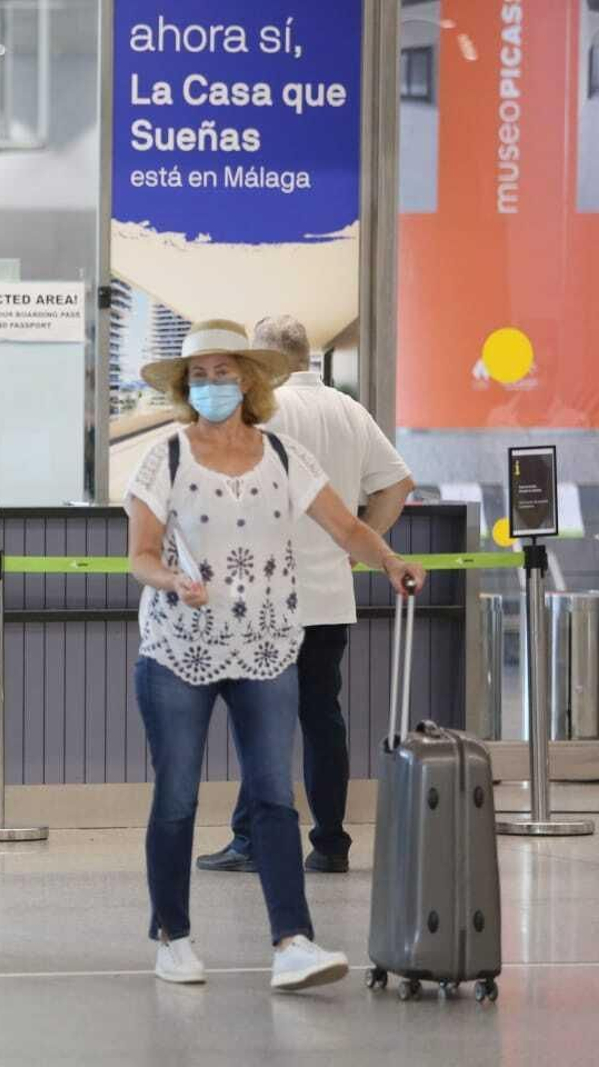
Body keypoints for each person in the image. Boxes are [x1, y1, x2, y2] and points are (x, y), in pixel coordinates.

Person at [124, 319, 425, 990]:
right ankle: (173, 934)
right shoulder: (165, 457)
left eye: (223, 374)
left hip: (265, 644)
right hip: (179, 649)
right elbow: (141, 553)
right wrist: (171, 577)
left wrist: (389, 559)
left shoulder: (286, 457)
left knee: (273, 794)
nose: (210, 386)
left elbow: (347, 526)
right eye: (197, 377)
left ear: (251, 382)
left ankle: (293, 940)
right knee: (176, 796)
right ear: (183, 387)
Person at [198, 315, 415, 877]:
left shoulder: (261, 413)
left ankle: (252, 840)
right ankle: (332, 844)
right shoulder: (348, 410)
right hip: (327, 596)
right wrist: (365, 541)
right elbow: (397, 483)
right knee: (322, 716)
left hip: (265, 596)